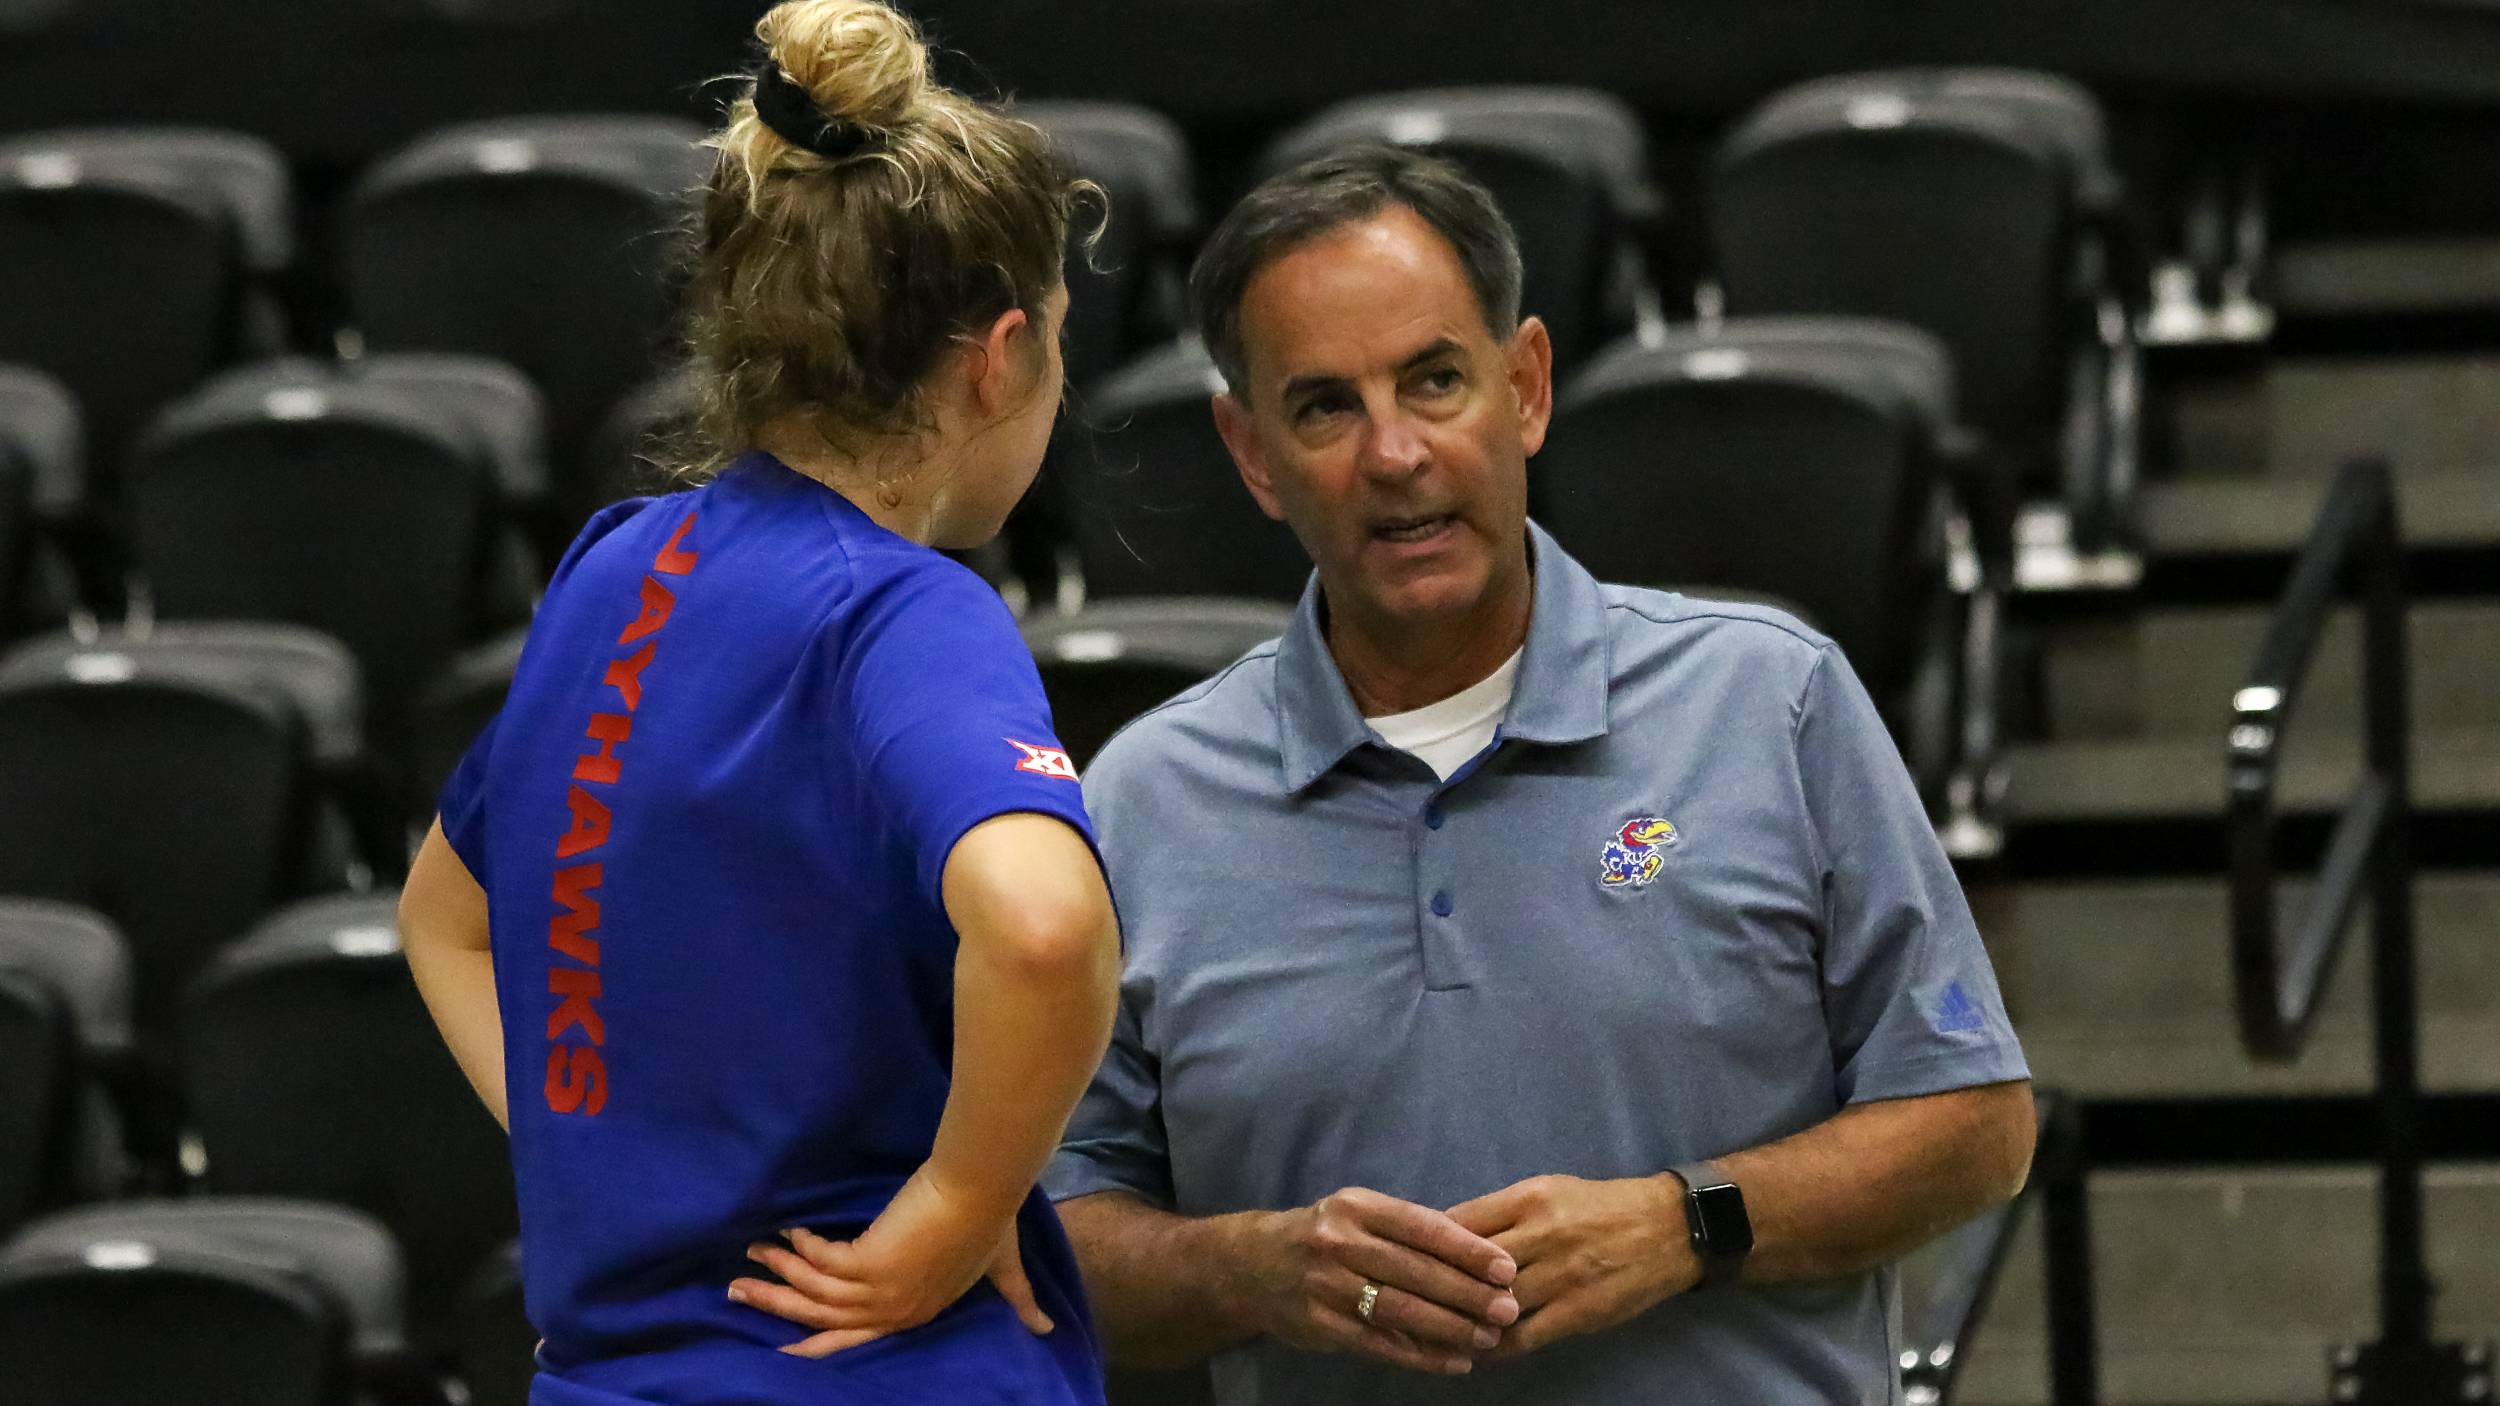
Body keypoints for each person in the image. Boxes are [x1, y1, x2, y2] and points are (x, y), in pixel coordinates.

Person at [1022, 147, 2034, 1402]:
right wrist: (1253, 1267)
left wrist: (1686, 1222)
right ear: (1250, 451)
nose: (1394, 452)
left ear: (1527, 386)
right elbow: (1055, 1237)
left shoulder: (1770, 699)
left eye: (1435, 380)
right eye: (1325, 406)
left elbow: (1975, 1126)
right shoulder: (1146, 798)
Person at [396, 3, 1120, 1401]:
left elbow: (441, 918)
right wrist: (959, 1211)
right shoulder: (904, 611)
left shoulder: (615, 567)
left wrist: (591, 1151)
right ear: (1002, 353)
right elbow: (1043, 929)